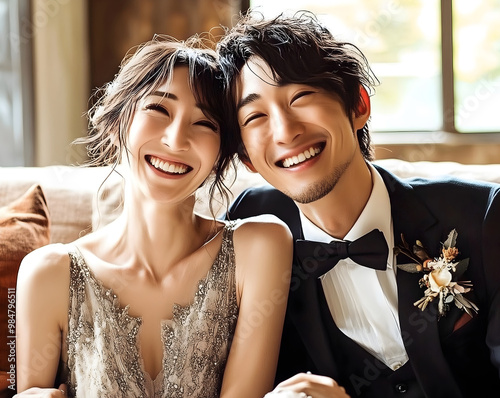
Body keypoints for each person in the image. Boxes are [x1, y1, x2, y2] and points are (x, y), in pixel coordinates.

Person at [217, 10, 500, 398]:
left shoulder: (482, 217)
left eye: (300, 96)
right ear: (245, 157)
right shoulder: (247, 228)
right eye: (255, 117)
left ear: (358, 105)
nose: (285, 131)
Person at [15, 34, 293, 397]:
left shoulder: (260, 248)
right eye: (158, 109)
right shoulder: (48, 274)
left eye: (205, 124)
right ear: (116, 124)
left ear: (221, 154)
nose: (177, 140)